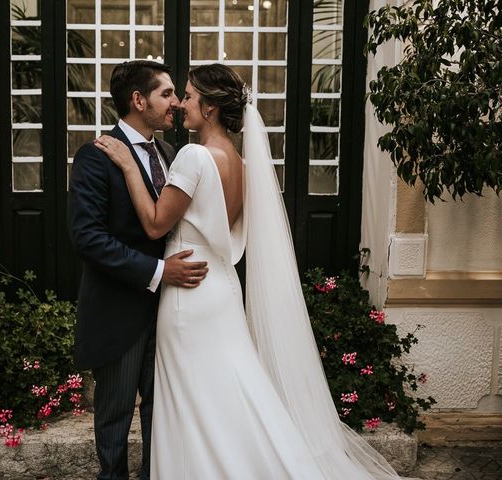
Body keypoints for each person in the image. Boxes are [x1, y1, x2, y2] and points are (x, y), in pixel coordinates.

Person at [94, 63, 403, 479]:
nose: (181, 104)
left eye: (187, 96)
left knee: (192, 401)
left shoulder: (193, 155)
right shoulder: (241, 164)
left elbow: (153, 224)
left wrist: (129, 166)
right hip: (220, 287)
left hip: (189, 291)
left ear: (209, 108)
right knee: (229, 392)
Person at [68, 60, 209, 480]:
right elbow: (88, 238)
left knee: (161, 414)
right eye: (166, 94)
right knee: (113, 417)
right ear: (138, 99)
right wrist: (157, 272)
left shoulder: (169, 154)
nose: (176, 105)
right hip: (118, 308)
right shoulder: (95, 157)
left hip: (170, 312)